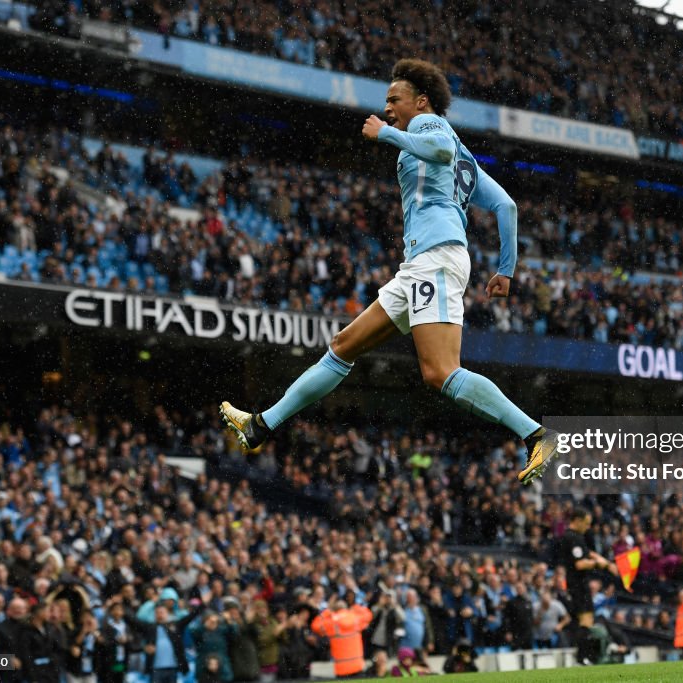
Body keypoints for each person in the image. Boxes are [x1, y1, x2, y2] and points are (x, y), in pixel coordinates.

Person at [220, 58, 561, 485]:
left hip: (434, 258)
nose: (386, 107)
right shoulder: (467, 160)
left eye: (393, 99)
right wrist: (505, 270)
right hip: (422, 264)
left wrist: (386, 134)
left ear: (420, 101)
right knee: (343, 345)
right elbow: (505, 206)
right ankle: (261, 426)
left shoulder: (427, 125)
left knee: (439, 372)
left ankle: (536, 434)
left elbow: (437, 150)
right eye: (385, 103)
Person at [551, 508, 618, 663]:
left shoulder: (576, 537)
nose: (588, 527)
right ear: (578, 520)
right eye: (586, 523)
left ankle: (584, 657)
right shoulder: (572, 537)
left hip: (579, 584)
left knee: (586, 620)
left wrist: (607, 563)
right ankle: (582, 657)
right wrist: (601, 565)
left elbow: (588, 553)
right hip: (577, 584)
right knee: (585, 620)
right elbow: (580, 563)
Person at [310, 597, 372, 678]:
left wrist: (327, 611)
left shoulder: (331, 622)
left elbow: (315, 625)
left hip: (341, 669)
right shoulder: (355, 618)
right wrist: (355, 607)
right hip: (357, 666)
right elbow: (368, 615)